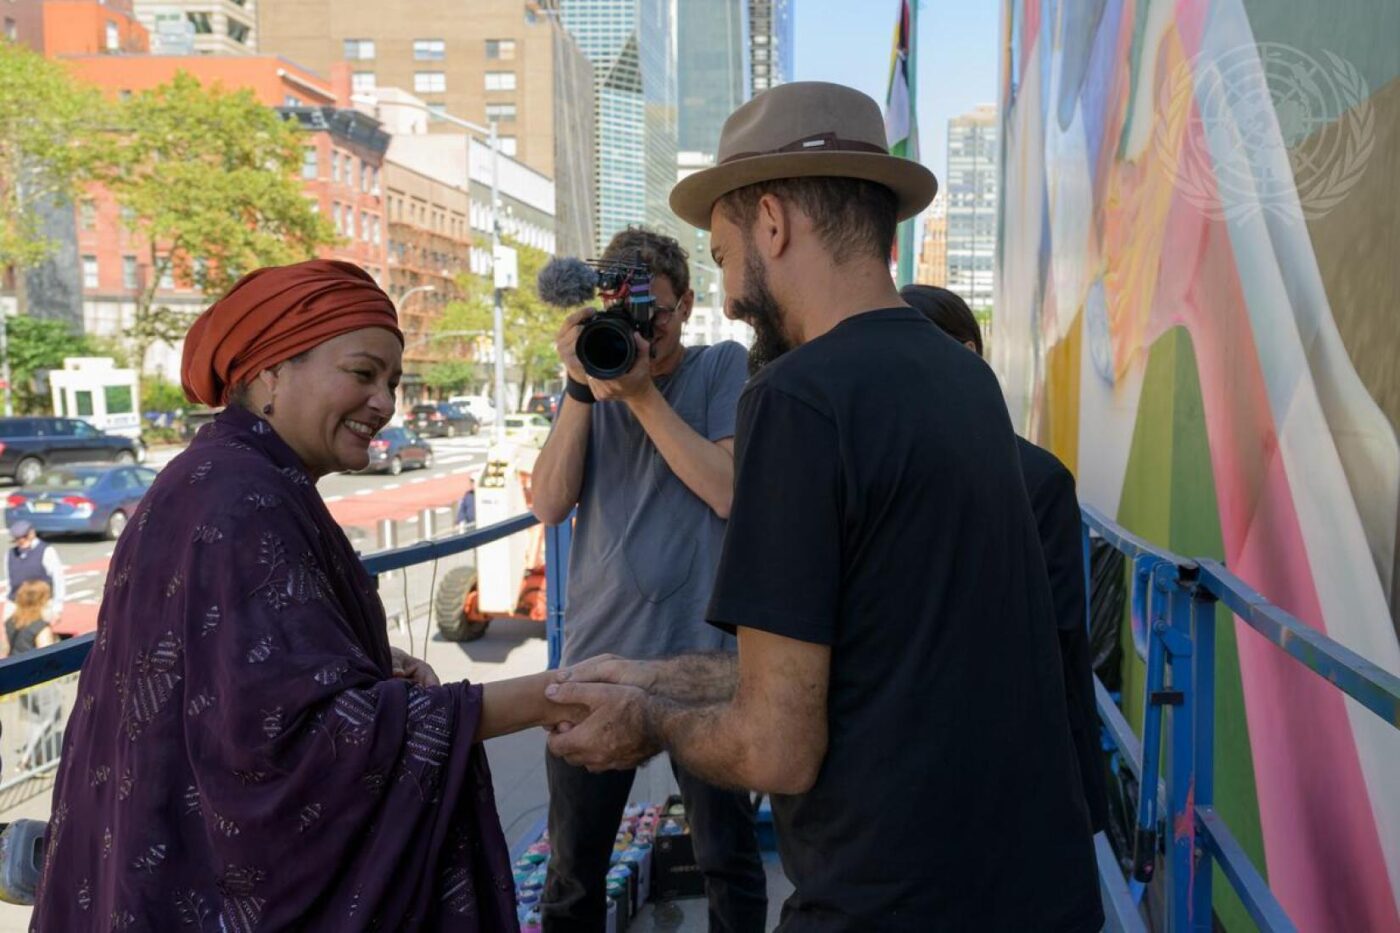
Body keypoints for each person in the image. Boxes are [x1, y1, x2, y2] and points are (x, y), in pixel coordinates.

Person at [544, 82, 1104, 931]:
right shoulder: (966, 380)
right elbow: (872, 663)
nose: (729, 295)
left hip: (888, 903)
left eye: (725, 256)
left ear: (772, 222)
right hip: (1028, 894)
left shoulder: (798, 398)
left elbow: (775, 745)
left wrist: (649, 719)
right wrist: (652, 675)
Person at [31, 260, 586, 931]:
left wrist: (359, 663)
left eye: (392, 382)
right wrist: (551, 697)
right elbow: (298, 746)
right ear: (270, 372)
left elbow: (230, 674)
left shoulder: (216, 475)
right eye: (363, 373)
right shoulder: (243, 501)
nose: (384, 402)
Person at [530, 227, 765, 931]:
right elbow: (548, 504)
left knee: (726, 859)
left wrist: (639, 395)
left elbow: (727, 489)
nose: (637, 330)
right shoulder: (593, 385)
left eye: (651, 313)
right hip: (599, 661)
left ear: (686, 305)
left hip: (702, 664)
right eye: (621, 313)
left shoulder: (721, 365)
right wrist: (579, 387)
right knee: (574, 871)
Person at [901, 282, 1110, 835]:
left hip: (1016, 770)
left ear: (967, 354)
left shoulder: (1039, 482)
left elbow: (1058, 635)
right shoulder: (884, 474)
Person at [4, 579, 62, 771]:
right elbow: (47, 654)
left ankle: (32, 755)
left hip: (20, 679)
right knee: (50, 715)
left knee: (35, 718)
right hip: (40, 682)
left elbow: (9, 649)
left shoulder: (11, 622)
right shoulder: (40, 627)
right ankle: (28, 758)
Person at [4, 520, 65, 638]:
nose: (21, 541)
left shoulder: (46, 551)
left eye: (24, 537)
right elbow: (10, 581)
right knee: (11, 635)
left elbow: (58, 580)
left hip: (40, 603)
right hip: (16, 602)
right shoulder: (10, 554)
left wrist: (57, 608)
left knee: (40, 636)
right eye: (17, 538)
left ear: (32, 533)